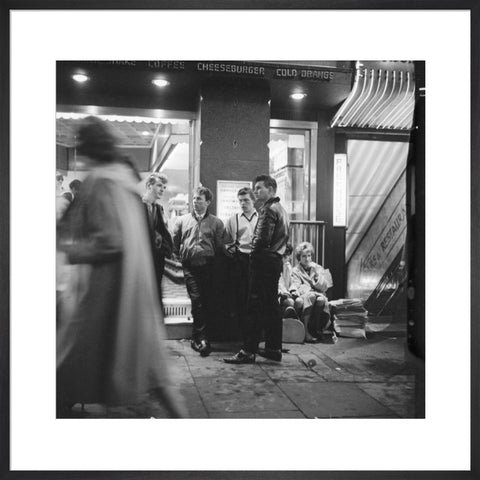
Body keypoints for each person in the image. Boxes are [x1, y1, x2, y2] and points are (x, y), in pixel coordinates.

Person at [56, 116, 186, 418]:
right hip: (131, 289)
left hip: (105, 292)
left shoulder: (101, 181)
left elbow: (110, 240)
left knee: (78, 360)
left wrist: (70, 249)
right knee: (152, 368)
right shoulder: (123, 180)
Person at [224, 174, 289, 364]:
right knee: (272, 306)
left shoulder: (268, 209)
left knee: (253, 306)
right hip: (275, 262)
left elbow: (261, 240)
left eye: (259, 188)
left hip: (263, 263)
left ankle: (248, 351)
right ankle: (273, 348)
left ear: (271, 189)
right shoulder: (282, 210)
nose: (256, 191)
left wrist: (253, 256)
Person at [172, 186, 225, 357]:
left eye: (199, 199)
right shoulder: (182, 220)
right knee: (196, 299)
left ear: (208, 202)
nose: (195, 202)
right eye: (194, 199)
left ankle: (199, 336)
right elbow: (175, 242)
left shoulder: (216, 223)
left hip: (209, 266)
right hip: (190, 266)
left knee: (207, 300)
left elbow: (220, 246)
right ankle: (201, 338)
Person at [224, 187, 258, 340]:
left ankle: (255, 336)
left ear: (253, 201)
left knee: (255, 298)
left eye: (246, 200)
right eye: (240, 201)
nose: (243, 204)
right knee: (240, 297)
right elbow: (227, 242)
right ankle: (243, 335)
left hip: (257, 260)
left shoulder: (261, 217)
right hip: (240, 260)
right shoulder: (234, 219)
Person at [291, 241, 334, 342]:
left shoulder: (317, 268)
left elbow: (325, 287)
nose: (307, 259)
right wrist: (309, 288)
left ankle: (317, 329)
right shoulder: (295, 270)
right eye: (304, 256)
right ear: (299, 258)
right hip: (304, 295)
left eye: (309, 256)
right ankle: (305, 331)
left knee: (320, 300)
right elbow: (297, 286)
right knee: (311, 297)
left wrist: (317, 277)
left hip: (317, 293)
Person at [142, 172, 173, 308]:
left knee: (155, 294)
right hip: (141, 259)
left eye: (164, 187)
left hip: (156, 259)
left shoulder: (159, 208)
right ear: (149, 185)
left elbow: (162, 231)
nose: (162, 189)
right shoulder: (137, 205)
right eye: (159, 186)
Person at [278, 243, 301, 320]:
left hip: (287, 294)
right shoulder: (273, 265)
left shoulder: (288, 266)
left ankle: (293, 323)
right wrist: (281, 292)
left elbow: (292, 282)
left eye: (286, 256)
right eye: (283, 256)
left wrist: (293, 290)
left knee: (299, 301)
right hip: (277, 295)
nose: (284, 258)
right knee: (290, 302)